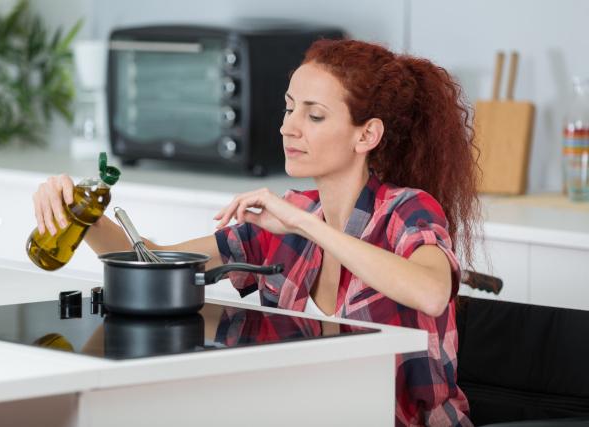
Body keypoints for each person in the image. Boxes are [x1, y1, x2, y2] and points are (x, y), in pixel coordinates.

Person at [32, 39, 479, 426]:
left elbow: (430, 291)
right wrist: (80, 211)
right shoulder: (285, 219)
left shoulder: (406, 210)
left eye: (315, 116)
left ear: (367, 136)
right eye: (289, 108)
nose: (288, 127)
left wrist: (306, 224)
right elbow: (155, 262)